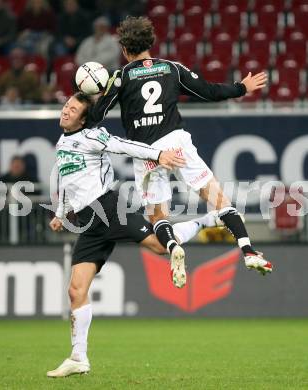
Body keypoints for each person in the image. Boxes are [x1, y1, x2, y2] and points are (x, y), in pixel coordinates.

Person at [46, 92, 220, 377]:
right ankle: (78, 357)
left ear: (83, 117)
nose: (65, 111)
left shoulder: (93, 136)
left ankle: (210, 219)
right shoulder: (62, 143)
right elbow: (67, 182)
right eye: (66, 105)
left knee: (159, 246)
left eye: (73, 108)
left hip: (109, 208)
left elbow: (125, 146)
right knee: (76, 290)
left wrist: (159, 155)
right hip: (90, 222)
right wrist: (61, 214)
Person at [90, 16, 273, 276]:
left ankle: (174, 245)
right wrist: (241, 87)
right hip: (176, 143)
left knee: (158, 216)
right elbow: (208, 91)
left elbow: (98, 114)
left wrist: (91, 98)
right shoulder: (171, 69)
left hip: (147, 153)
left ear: (124, 49)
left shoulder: (121, 77)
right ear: (150, 42)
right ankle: (249, 251)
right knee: (219, 199)